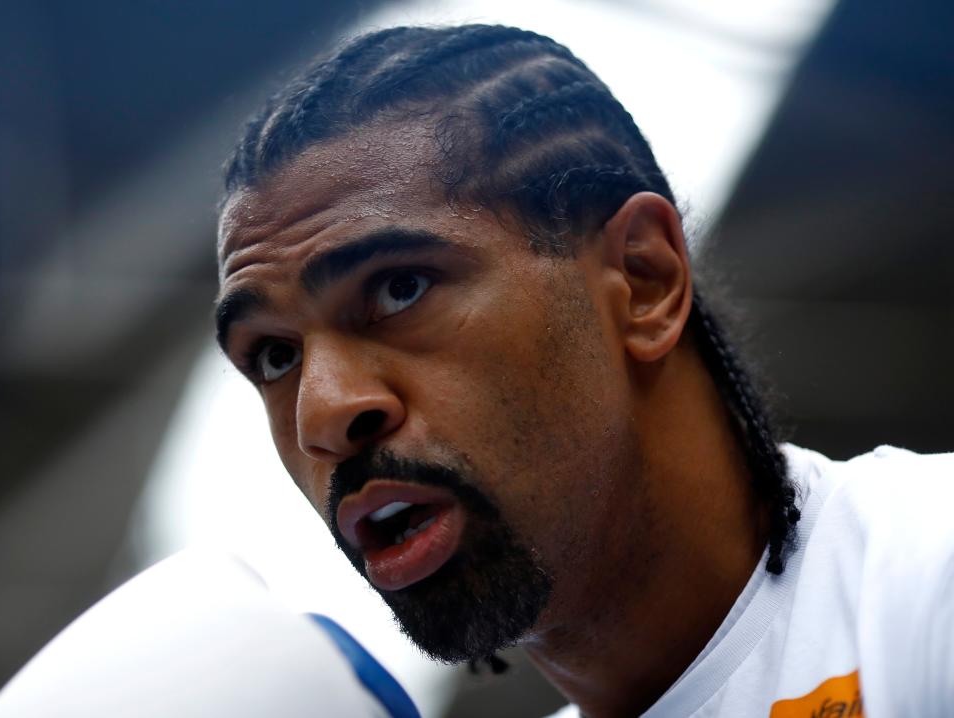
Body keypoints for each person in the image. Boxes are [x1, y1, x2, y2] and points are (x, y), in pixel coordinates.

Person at [213, 24, 954, 717]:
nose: (323, 414)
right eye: (275, 356)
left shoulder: (927, 572)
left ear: (643, 279)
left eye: (398, 288)